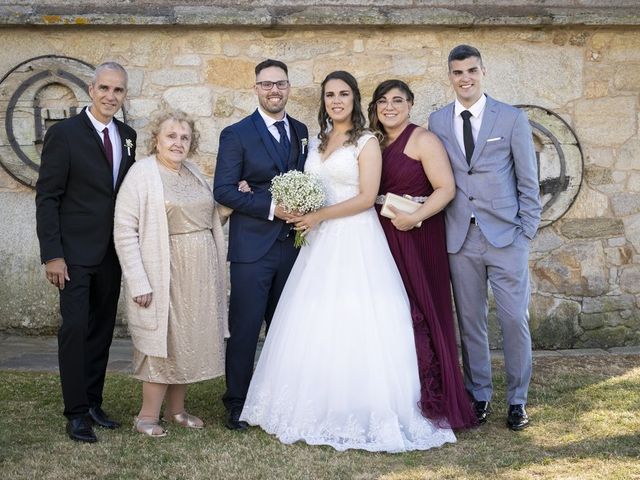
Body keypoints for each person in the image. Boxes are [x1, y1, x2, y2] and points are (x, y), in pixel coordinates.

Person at [240, 71, 456, 452]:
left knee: (358, 319)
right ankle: (314, 400)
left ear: (355, 100)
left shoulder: (367, 141)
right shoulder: (318, 139)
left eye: (343, 94)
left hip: (356, 237)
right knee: (316, 318)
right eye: (329, 95)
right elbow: (301, 184)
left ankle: (361, 404)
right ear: (323, 101)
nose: (336, 101)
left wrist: (318, 217)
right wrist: (263, 193)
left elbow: (366, 196)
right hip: (318, 243)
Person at [428, 45, 541, 431]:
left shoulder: (511, 118)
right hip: (460, 238)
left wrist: (526, 232)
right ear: (450, 76)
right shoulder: (438, 121)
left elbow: (529, 181)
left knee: (513, 320)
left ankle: (518, 400)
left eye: (472, 70)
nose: (465, 78)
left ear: (483, 71)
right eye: (458, 72)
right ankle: (480, 396)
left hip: (507, 236)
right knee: (471, 322)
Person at [368, 79, 478, 430]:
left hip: (418, 232)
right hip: (382, 233)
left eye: (397, 100)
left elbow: (446, 189)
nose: (389, 107)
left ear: (410, 104)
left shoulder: (423, 139)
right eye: (383, 101)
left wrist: (413, 217)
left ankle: (436, 393)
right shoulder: (373, 141)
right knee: (392, 309)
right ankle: (399, 390)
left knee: (424, 307)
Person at [35, 62, 136, 443]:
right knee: (75, 330)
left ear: (124, 95)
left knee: (101, 331)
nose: (111, 96)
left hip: (113, 252)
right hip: (73, 254)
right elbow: (47, 198)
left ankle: (94, 402)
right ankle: (76, 413)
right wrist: (52, 255)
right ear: (91, 90)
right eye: (105, 88)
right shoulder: (64, 134)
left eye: (119, 91)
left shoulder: (128, 135)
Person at [113, 109, 228, 437]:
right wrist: (137, 280)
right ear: (156, 140)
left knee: (186, 339)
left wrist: (232, 205)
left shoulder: (192, 171)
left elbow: (204, 218)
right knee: (161, 340)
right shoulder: (142, 174)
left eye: (184, 138)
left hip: (199, 274)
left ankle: (177, 410)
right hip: (163, 272)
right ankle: (147, 416)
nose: (178, 143)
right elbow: (124, 230)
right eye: (171, 136)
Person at [213, 59, 309, 431]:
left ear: (288, 87)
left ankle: (282, 398)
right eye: (266, 84)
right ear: (255, 89)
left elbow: (306, 178)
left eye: (280, 84)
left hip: (295, 246)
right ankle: (236, 401)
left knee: (288, 327)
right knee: (246, 327)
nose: (274, 91)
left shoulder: (301, 131)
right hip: (252, 249)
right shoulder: (236, 134)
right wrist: (271, 206)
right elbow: (222, 190)